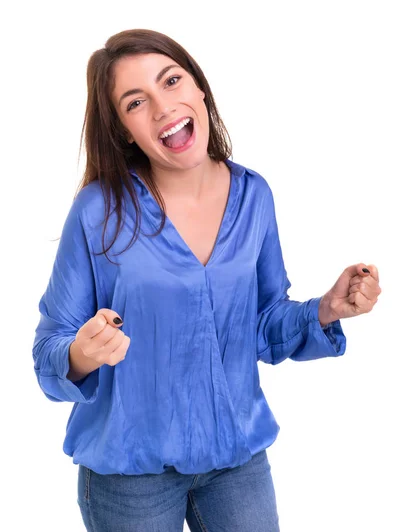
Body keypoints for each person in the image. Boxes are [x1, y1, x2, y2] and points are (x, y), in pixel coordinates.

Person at [32, 29, 381, 532]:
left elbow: (260, 326)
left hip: (236, 460)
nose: (162, 107)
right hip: (131, 474)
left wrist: (326, 309)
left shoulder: (253, 196)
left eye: (171, 81)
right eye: (136, 102)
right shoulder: (98, 211)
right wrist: (83, 354)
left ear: (199, 88)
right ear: (125, 130)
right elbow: (50, 346)